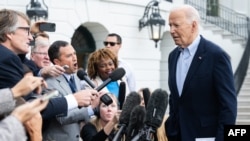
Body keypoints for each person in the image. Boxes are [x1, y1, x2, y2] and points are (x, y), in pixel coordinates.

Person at [165, 5, 237, 141]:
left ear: (193, 26)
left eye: (176, 25)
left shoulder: (216, 56)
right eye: (170, 25)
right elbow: (175, 98)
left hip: (207, 136)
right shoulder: (172, 56)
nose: (171, 30)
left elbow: (228, 106)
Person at [42, 40, 99, 141]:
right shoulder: (49, 83)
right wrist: (91, 109)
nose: (74, 58)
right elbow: (62, 117)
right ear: (57, 62)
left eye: (74, 53)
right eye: (69, 56)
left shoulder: (77, 77)